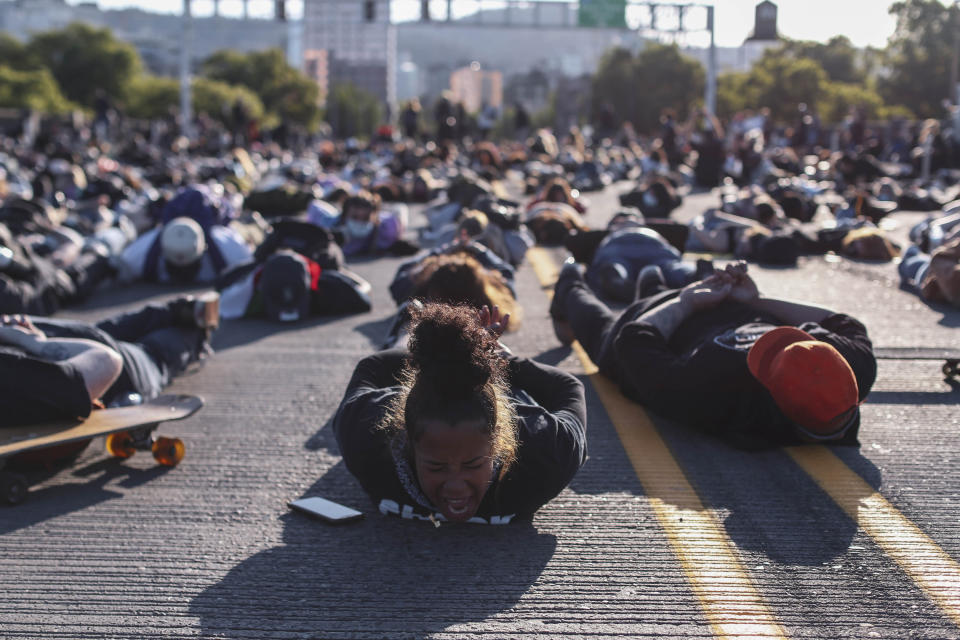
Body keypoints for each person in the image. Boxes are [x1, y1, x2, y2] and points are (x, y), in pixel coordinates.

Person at [550, 261, 877, 450]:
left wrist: (686, 303)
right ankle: (655, 282)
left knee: (599, 331)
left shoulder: (714, 392)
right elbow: (842, 322)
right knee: (663, 279)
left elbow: (632, 339)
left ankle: (569, 284)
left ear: (771, 396)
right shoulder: (852, 363)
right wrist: (755, 301)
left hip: (660, 318)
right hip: (724, 301)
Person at [332, 302, 587, 524]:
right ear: (407, 442)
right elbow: (372, 367)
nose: (455, 487)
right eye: (436, 466)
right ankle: (408, 322)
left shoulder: (546, 456)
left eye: (473, 464)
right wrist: (434, 356)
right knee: (406, 338)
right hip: (418, 387)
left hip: (508, 389)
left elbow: (568, 387)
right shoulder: (367, 440)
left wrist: (498, 359)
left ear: (498, 443)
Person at [0, 293, 218, 467]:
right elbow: (106, 362)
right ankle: (195, 328)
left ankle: (180, 311)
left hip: (72, 338)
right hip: (117, 369)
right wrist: (36, 343)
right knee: (167, 344)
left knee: (134, 323)